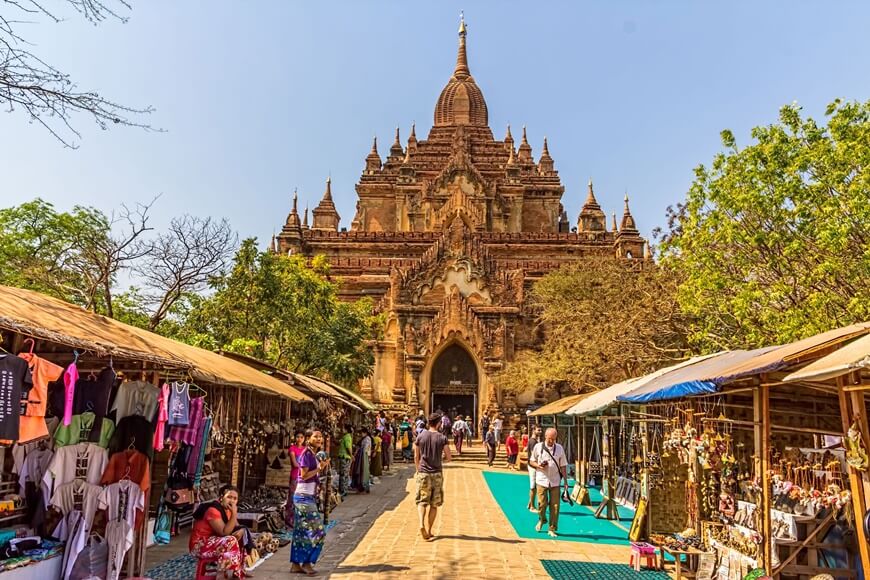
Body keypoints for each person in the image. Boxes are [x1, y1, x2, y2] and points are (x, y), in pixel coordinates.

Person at [291, 429, 329, 575]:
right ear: (308, 438)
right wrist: (319, 468)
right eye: (315, 436)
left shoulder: (312, 454)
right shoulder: (306, 454)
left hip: (308, 496)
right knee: (318, 532)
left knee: (300, 532)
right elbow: (304, 475)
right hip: (303, 498)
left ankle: (296, 564)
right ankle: (307, 563)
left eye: (320, 436)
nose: (319, 439)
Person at [189, 484, 248, 579]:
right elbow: (224, 533)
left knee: (243, 537)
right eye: (229, 497)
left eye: (235, 498)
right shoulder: (213, 510)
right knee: (230, 540)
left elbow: (237, 527)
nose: (232, 501)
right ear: (221, 497)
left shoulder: (227, 510)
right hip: (199, 546)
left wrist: (241, 531)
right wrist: (234, 513)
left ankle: (239, 571)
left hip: (213, 541)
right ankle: (221, 575)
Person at [414, 413, 452, 541]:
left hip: (423, 472)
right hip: (436, 473)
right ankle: (429, 530)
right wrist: (440, 460)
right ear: (439, 423)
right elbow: (449, 457)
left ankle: (421, 524)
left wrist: (418, 469)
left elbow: (416, 456)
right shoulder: (442, 437)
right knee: (434, 504)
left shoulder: (420, 436)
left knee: (422, 501)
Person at [528, 427, 569, 537]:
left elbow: (563, 465)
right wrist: (538, 466)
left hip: (555, 481)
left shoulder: (559, 448)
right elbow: (531, 461)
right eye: (549, 438)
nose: (551, 441)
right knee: (542, 504)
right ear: (545, 436)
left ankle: (552, 528)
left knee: (555, 506)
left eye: (553, 439)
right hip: (541, 479)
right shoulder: (538, 447)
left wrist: (565, 482)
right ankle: (542, 519)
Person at [284, 430, 306, 527]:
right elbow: (294, 463)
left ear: (304, 439)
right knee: (292, 498)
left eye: (301, 437)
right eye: (298, 437)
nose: (299, 439)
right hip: (295, 476)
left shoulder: (306, 449)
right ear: (295, 438)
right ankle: (289, 520)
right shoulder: (292, 449)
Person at [351, 427, 372, 493]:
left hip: (363, 457)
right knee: (360, 471)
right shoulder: (363, 439)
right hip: (361, 457)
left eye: (362, 433)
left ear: (365, 433)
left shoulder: (367, 439)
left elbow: (366, 449)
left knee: (363, 471)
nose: (361, 434)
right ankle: (361, 487)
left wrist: (360, 450)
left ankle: (364, 487)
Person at [527, 426, 542, 512]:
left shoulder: (535, 441)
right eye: (538, 430)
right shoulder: (533, 442)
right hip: (533, 466)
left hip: (534, 466)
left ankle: (530, 503)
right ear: (533, 430)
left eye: (540, 430)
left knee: (535, 486)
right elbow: (534, 454)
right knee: (533, 487)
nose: (540, 431)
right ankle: (532, 506)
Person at [337, 424, 352, 496]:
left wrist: (351, 455)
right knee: (343, 474)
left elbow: (348, 447)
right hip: (343, 457)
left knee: (344, 474)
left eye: (343, 428)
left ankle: (343, 490)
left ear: (346, 429)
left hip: (345, 457)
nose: (342, 430)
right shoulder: (345, 437)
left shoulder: (347, 437)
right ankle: (342, 490)